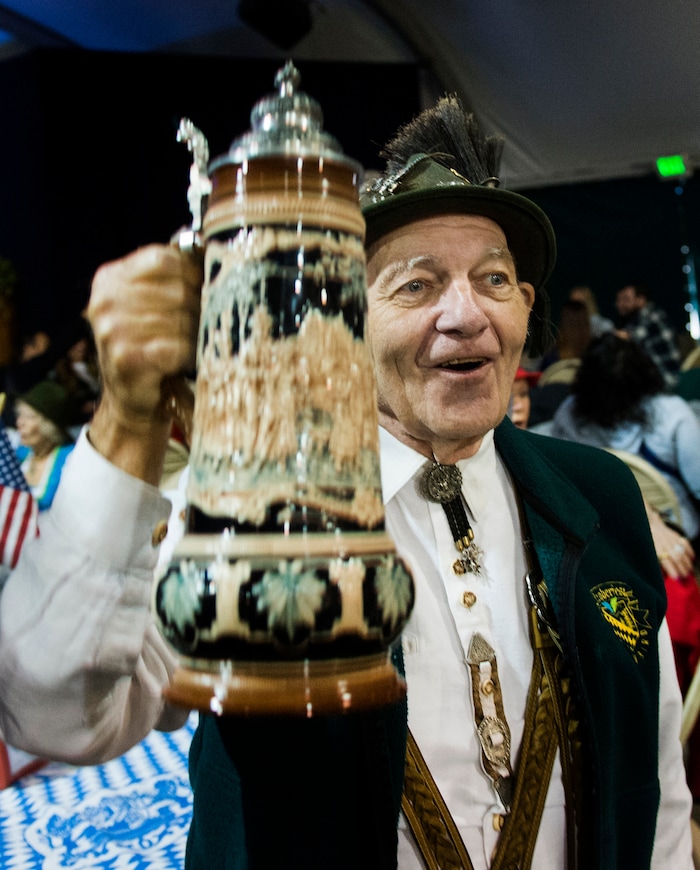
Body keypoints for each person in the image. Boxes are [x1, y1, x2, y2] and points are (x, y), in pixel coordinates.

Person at [0, 97, 693, 869]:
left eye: (493, 279)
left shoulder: (599, 494)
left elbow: (655, 773)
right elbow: (58, 714)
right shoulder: (248, 508)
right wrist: (128, 421)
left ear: (525, 308)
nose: (466, 314)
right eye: (417, 285)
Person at [551, 332, 700, 550]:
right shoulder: (673, 413)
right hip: (678, 536)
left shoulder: (568, 414)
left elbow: (560, 483)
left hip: (601, 540)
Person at [13, 380, 76, 510]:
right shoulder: (21, 452)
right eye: (20, 415)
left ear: (49, 427)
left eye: (29, 417)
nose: (20, 422)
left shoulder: (70, 461)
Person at [615, 282, 682, 390]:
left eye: (626, 299)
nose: (619, 304)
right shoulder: (635, 319)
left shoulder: (651, 315)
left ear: (641, 299)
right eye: (618, 300)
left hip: (665, 382)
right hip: (655, 382)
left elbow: (628, 337)